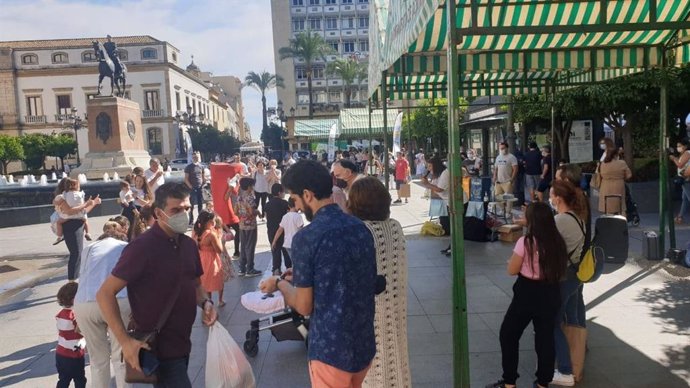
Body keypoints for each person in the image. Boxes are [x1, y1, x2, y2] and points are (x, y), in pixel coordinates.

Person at [259, 160, 377, 388]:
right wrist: (306, 274)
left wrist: (279, 284)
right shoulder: (359, 228)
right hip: (363, 344)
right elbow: (348, 273)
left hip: (330, 351)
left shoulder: (307, 238)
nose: (296, 206)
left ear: (307, 195)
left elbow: (303, 306)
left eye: (294, 199)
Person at [96, 182, 217, 387]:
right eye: (176, 210)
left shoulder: (188, 245)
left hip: (183, 343)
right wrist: (125, 342)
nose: (183, 214)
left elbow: (196, 285)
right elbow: (105, 293)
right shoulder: (142, 247)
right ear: (159, 213)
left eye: (186, 209)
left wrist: (206, 303)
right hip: (158, 349)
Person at [486, 202, 567, 388]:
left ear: (532, 221)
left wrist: (518, 262)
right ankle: (543, 382)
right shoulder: (558, 241)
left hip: (527, 293)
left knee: (508, 334)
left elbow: (512, 270)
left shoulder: (526, 242)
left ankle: (509, 381)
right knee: (545, 338)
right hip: (551, 292)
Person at [348, 177, 411, 388]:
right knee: (394, 355)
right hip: (394, 306)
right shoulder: (395, 227)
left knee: (373, 368)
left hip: (368, 315)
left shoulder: (359, 232)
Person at [73, 223, 130, 388]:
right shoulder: (125, 247)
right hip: (118, 299)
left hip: (85, 303)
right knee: (120, 356)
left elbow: (82, 278)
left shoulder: (88, 249)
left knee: (97, 360)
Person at [549, 180, 588, 387]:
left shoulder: (560, 219)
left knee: (553, 322)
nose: (550, 198)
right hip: (577, 275)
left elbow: (545, 243)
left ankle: (565, 370)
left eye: (551, 194)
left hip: (564, 277)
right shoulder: (578, 217)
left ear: (558, 198)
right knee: (572, 319)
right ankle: (577, 359)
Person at [53, 179, 102, 281]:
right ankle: (72, 280)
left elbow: (82, 212)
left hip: (77, 225)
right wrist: (86, 204)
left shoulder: (73, 198)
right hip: (71, 225)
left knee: (78, 252)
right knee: (75, 253)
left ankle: (76, 277)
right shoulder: (61, 198)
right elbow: (70, 212)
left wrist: (94, 203)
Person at [55, 282, 87, 388]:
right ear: (75, 299)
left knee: (63, 380)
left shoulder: (60, 314)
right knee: (80, 379)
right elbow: (80, 330)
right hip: (74, 354)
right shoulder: (74, 315)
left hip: (60, 353)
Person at [194, 210, 226, 307]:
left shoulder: (197, 232)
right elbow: (219, 250)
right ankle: (220, 300)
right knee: (219, 279)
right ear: (209, 222)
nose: (214, 222)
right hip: (212, 259)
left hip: (202, 258)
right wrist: (219, 237)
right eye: (213, 221)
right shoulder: (211, 234)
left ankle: (209, 300)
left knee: (206, 282)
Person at [234, 177, 261, 277]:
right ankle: (250, 268)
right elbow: (251, 211)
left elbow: (235, 211)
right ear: (249, 186)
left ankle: (242, 268)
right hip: (251, 225)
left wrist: (242, 216)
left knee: (243, 245)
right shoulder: (250, 197)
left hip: (241, 224)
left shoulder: (239, 197)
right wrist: (257, 212)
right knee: (250, 246)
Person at [53, 178, 93, 245]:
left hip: (67, 217)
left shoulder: (64, 195)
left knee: (58, 222)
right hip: (80, 215)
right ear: (77, 186)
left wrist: (58, 202)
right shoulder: (81, 194)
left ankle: (59, 236)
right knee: (85, 220)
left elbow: (56, 203)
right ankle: (88, 233)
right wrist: (89, 203)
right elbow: (82, 205)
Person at [264, 183, 291, 276]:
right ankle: (289, 268)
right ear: (279, 192)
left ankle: (276, 269)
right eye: (283, 192)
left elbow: (267, 217)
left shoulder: (267, 204)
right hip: (284, 230)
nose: (284, 194)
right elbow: (288, 215)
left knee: (275, 250)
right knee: (285, 250)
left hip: (271, 230)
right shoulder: (285, 203)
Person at [597, 147, 632, 215]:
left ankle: (608, 223)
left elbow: (599, 175)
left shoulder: (603, 164)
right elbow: (629, 175)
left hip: (605, 186)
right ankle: (622, 223)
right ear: (616, 154)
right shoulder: (621, 163)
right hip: (619, 186)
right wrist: (622, 177)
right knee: (621, 207)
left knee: (607, 207)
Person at [271, 197, 303, 268]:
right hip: (296, 244)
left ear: (289, 206)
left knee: (293, 261)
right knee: (297, 262)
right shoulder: (298, 217)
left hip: (287, 244)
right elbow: (301, 232)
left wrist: (274, 241)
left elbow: (279, 230)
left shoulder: (285, 217)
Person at [423, 157, 450, 237]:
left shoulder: (444, 174)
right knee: (443, 219)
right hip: (444, 200)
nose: (428, 168)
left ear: (436, 166)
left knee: (446, 219)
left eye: (430, 166)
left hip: (448, 200)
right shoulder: (436, 175)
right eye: (428, 166)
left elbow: (439, 189)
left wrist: (427, 184)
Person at [493, 142, 519, 212]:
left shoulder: (512, 157)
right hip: (499, 181)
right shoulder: (498, 157)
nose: (502, 149)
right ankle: (502, 209)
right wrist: (494, 177)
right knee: (498, 197)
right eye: (500, 148)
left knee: (508, 197)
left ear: (507, 148)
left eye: (503, 148)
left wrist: (511, 179)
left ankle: (508, 212)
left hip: (507, 181)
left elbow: (515, 169)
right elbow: (496, 168)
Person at [670, 138, 690, 224]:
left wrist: (674, 158)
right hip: (684, 178)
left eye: (680, 146)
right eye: (677, 146)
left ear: (685, 146)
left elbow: (680, 165)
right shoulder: (684, 154)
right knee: (684, 198)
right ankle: (680, 217)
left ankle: (680, 217)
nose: (678, 148)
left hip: (686, 178)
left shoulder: (687, 153)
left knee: (688, 198)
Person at [184, 152, 206, 225]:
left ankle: (200, 219)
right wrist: (190, 186)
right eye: (194, 157)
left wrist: (204, 183)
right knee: (192, 205)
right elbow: (186, 179)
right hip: (192, 188)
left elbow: (203, 176)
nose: (195, 158)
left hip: (200, 187)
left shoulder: (201, 166)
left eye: (196, 157)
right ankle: (191, 220)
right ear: (192, 158)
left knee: (201, 204)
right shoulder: (189, 167)